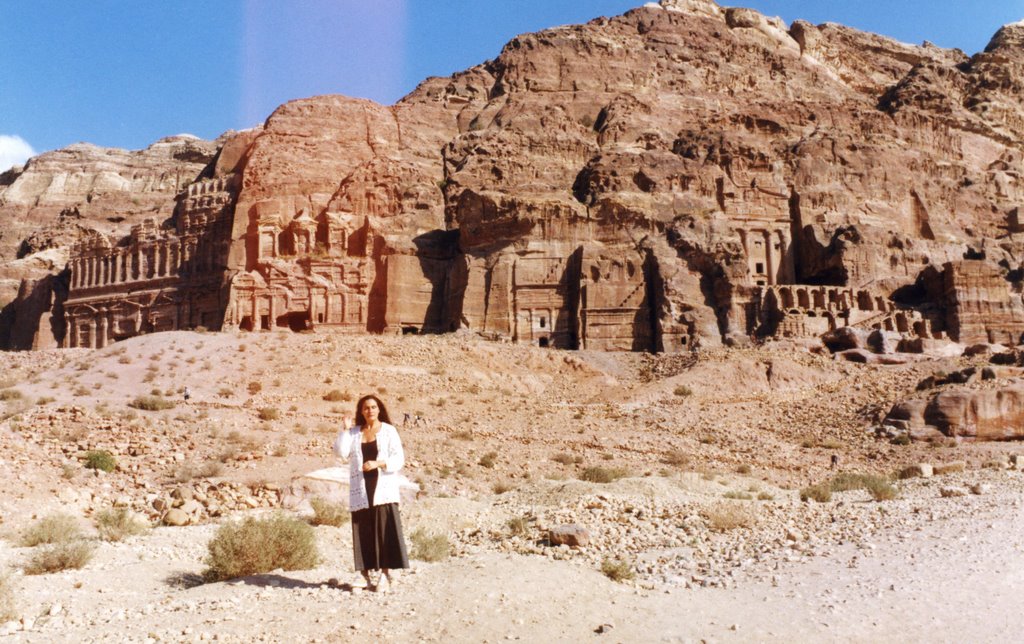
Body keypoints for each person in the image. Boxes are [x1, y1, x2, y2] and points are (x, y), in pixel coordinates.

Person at [333, 394, 409, 591]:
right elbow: (341, 453)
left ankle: (385, 574)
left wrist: (378, 463)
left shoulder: (389, 430)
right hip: (361, 489)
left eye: (374, 407)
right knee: (363, 530)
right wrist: (345, 429)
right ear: (361, 411)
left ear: (379, 409)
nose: (370, 411)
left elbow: (398, 458)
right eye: (366, 408)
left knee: (384, 530)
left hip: (383, 486)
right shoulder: (354, 433)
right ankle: (364, 575)